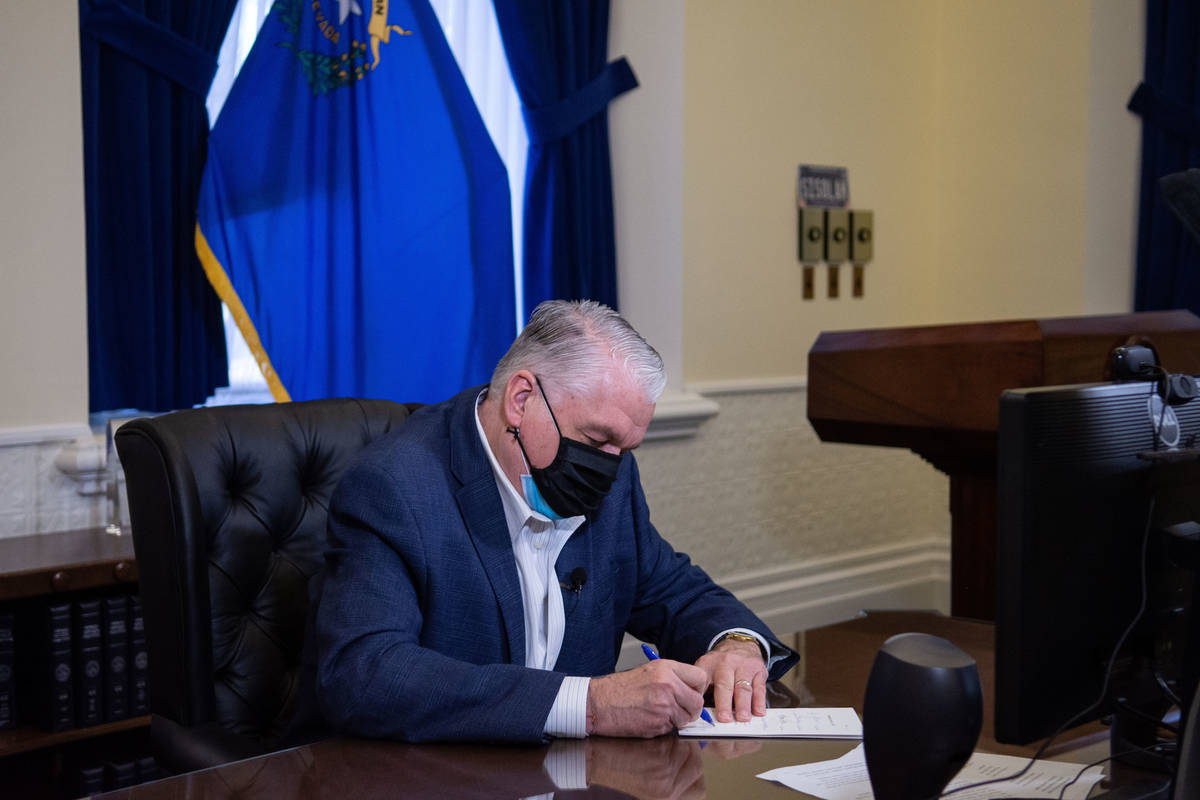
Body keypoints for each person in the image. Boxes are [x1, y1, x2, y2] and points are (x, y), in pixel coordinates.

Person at [313, 300, 797, 743]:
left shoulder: (613, 478)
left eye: (624, 449)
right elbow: (365, 673)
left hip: (568, 779)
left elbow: (673, 589)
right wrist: (588, 705)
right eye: (597, 439)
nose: (611, 465)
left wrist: (737, 644)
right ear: (521, 400)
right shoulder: (394, 487)